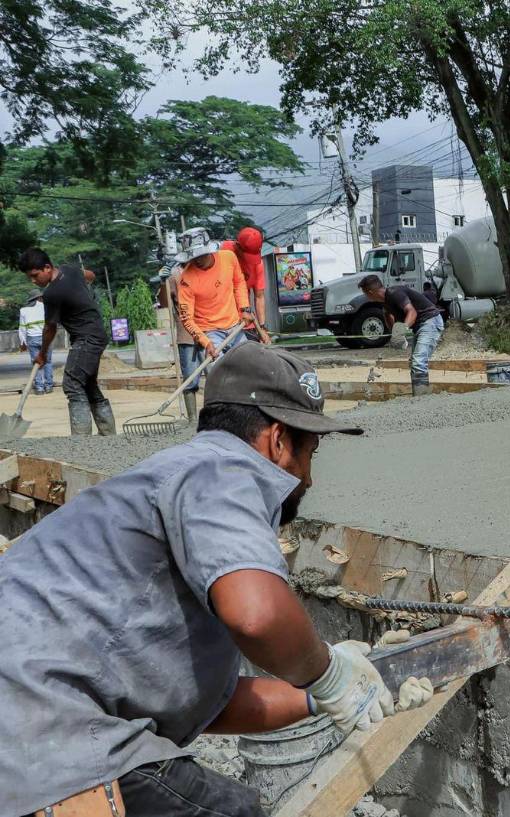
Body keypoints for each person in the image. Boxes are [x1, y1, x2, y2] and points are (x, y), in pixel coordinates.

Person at [0, 343, 434, 816]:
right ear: (277, 440)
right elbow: (257, 616)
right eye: (311, 451)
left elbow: (210, 708)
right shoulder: (221, 470)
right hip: (39, 729)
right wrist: (329, 672)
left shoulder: (168, 486)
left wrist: (335, 691)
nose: (308, 479)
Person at [17, 248, 116, 435]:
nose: (33, 281)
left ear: (47, 267)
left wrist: (42, 353)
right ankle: (109, 436)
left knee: (72, 384)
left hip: (87, 338)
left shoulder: (52, 294)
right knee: (87, 384)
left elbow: (50, 328)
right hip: (96, 333)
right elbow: (90, 275)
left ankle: (80, 442)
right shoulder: (69, 270)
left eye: (35, 275)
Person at [176, 227, 256, 361]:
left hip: (235, 326)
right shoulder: (186, 281)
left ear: (209, 250)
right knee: (217, 372)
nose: (197, 260)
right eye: (193, 257)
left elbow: (239, 282)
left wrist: (244, 309)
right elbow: (186, 319)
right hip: (209, 333)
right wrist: (205, 342)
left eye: (201, 255)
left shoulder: (228, 258)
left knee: (249, 364)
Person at [358, 274, 444, 396]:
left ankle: (423, 399)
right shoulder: (385, 302)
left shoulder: (395, 293)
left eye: (365, 293)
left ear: (370, 292)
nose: (365, 296)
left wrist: (400, 331)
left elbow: (412, 312)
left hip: (430, 321)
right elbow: (391, 319)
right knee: (415, 362)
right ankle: (420, 396)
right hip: (421, 325)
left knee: (419, 361)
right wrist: (395, 334)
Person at [167, 266, 207, 421]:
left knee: (215, 376)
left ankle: (214, 416)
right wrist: (163, 281)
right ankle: (192, 419)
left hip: (208, 332)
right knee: (190, 379)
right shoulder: (174, 277)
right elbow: (165, 301)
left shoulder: (204, 273)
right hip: (186, 335)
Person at [221, 226, 271, 343]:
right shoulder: (222, 252)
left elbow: (259, 297)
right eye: (247, 254)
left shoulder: (257, 264)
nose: (249, 261)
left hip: (246, 320)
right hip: (222, 322)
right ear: (237, 245)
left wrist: (262, 328)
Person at [17, 290, 54, 395]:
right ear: (38, 298)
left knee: (36, 363)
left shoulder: (23, 310)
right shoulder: (46, 307)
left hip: (32, 339)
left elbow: (22, 328)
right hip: (46, 338)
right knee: (48, 362)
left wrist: (22, 342)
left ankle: (39, 388)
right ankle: (49, 386)